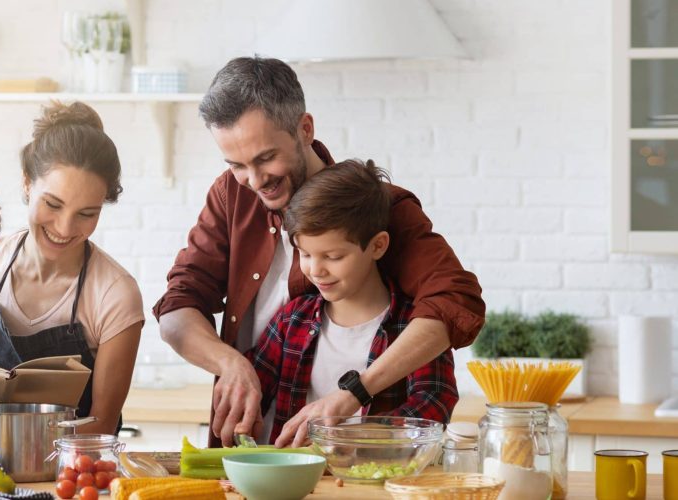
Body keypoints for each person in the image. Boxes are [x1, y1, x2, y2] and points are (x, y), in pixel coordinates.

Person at [153, 56, 484, 447]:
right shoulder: (231, 194)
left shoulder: (377, 207)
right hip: (259, 449)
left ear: (304, 129)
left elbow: (454, 301)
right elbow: (177, 308)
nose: (254, 181)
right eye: (236, 164)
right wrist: (230, 364)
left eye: (265, 158)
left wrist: (354, 396)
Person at [248, 159, 458, 447]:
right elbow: (252, 390)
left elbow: (434, 404)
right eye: (305, 254)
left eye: (333, 257)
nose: (315, 270)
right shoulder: (291, 320)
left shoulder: (414, 327)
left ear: (377, 246)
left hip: (377, 482)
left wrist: (348, 438)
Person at [0, 101, 144, 435]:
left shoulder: (115, 293)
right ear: (27, 183)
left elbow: (102, 426)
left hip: (75, 473)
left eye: (87, 214)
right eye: (53, 204)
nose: (64, 227)